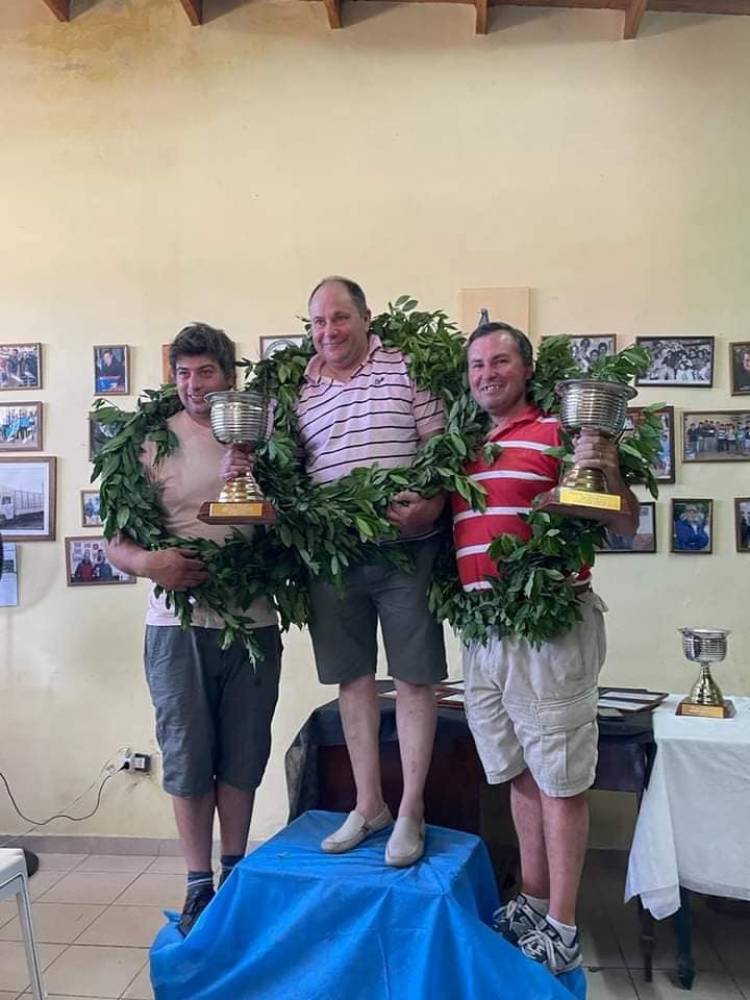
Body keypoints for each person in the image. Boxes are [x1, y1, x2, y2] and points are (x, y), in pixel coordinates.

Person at [229, 277, 447, 867]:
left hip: (407, 550)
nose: (328, 331)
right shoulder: (298, 390)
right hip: (333, 556)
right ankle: (370, 805)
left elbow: (441, 448)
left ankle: (410, 812)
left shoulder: (404, 369)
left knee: (413, 679)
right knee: (351, 680)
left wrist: (429, 505)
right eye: (318, 323)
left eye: (340, 318)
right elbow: (287, 469)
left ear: (367, 318)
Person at [452, 322, 638, 976]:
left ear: (527, 370)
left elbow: (624, 521)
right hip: (483, 629)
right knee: (520, 772)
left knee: (559, 778)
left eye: (500, 360)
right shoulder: (465, 444)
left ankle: (562, 926)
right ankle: (533, 903)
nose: (486, 373)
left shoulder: (562, 433)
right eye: (476, 364)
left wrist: (606, 466)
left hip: (549, 626)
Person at [106, 323, 282, 936]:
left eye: (205, 372)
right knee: (186, 756)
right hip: (175, 625)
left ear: (229, 375)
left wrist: (266, 488)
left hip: (254, 619)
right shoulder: (150, 443)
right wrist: (151, 563)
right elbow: (117, 543)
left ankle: (235, 874)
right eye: (182, 373)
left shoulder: (264, 431)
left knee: (243, 751)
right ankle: (197, 885)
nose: (193, 385)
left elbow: (293, 521)